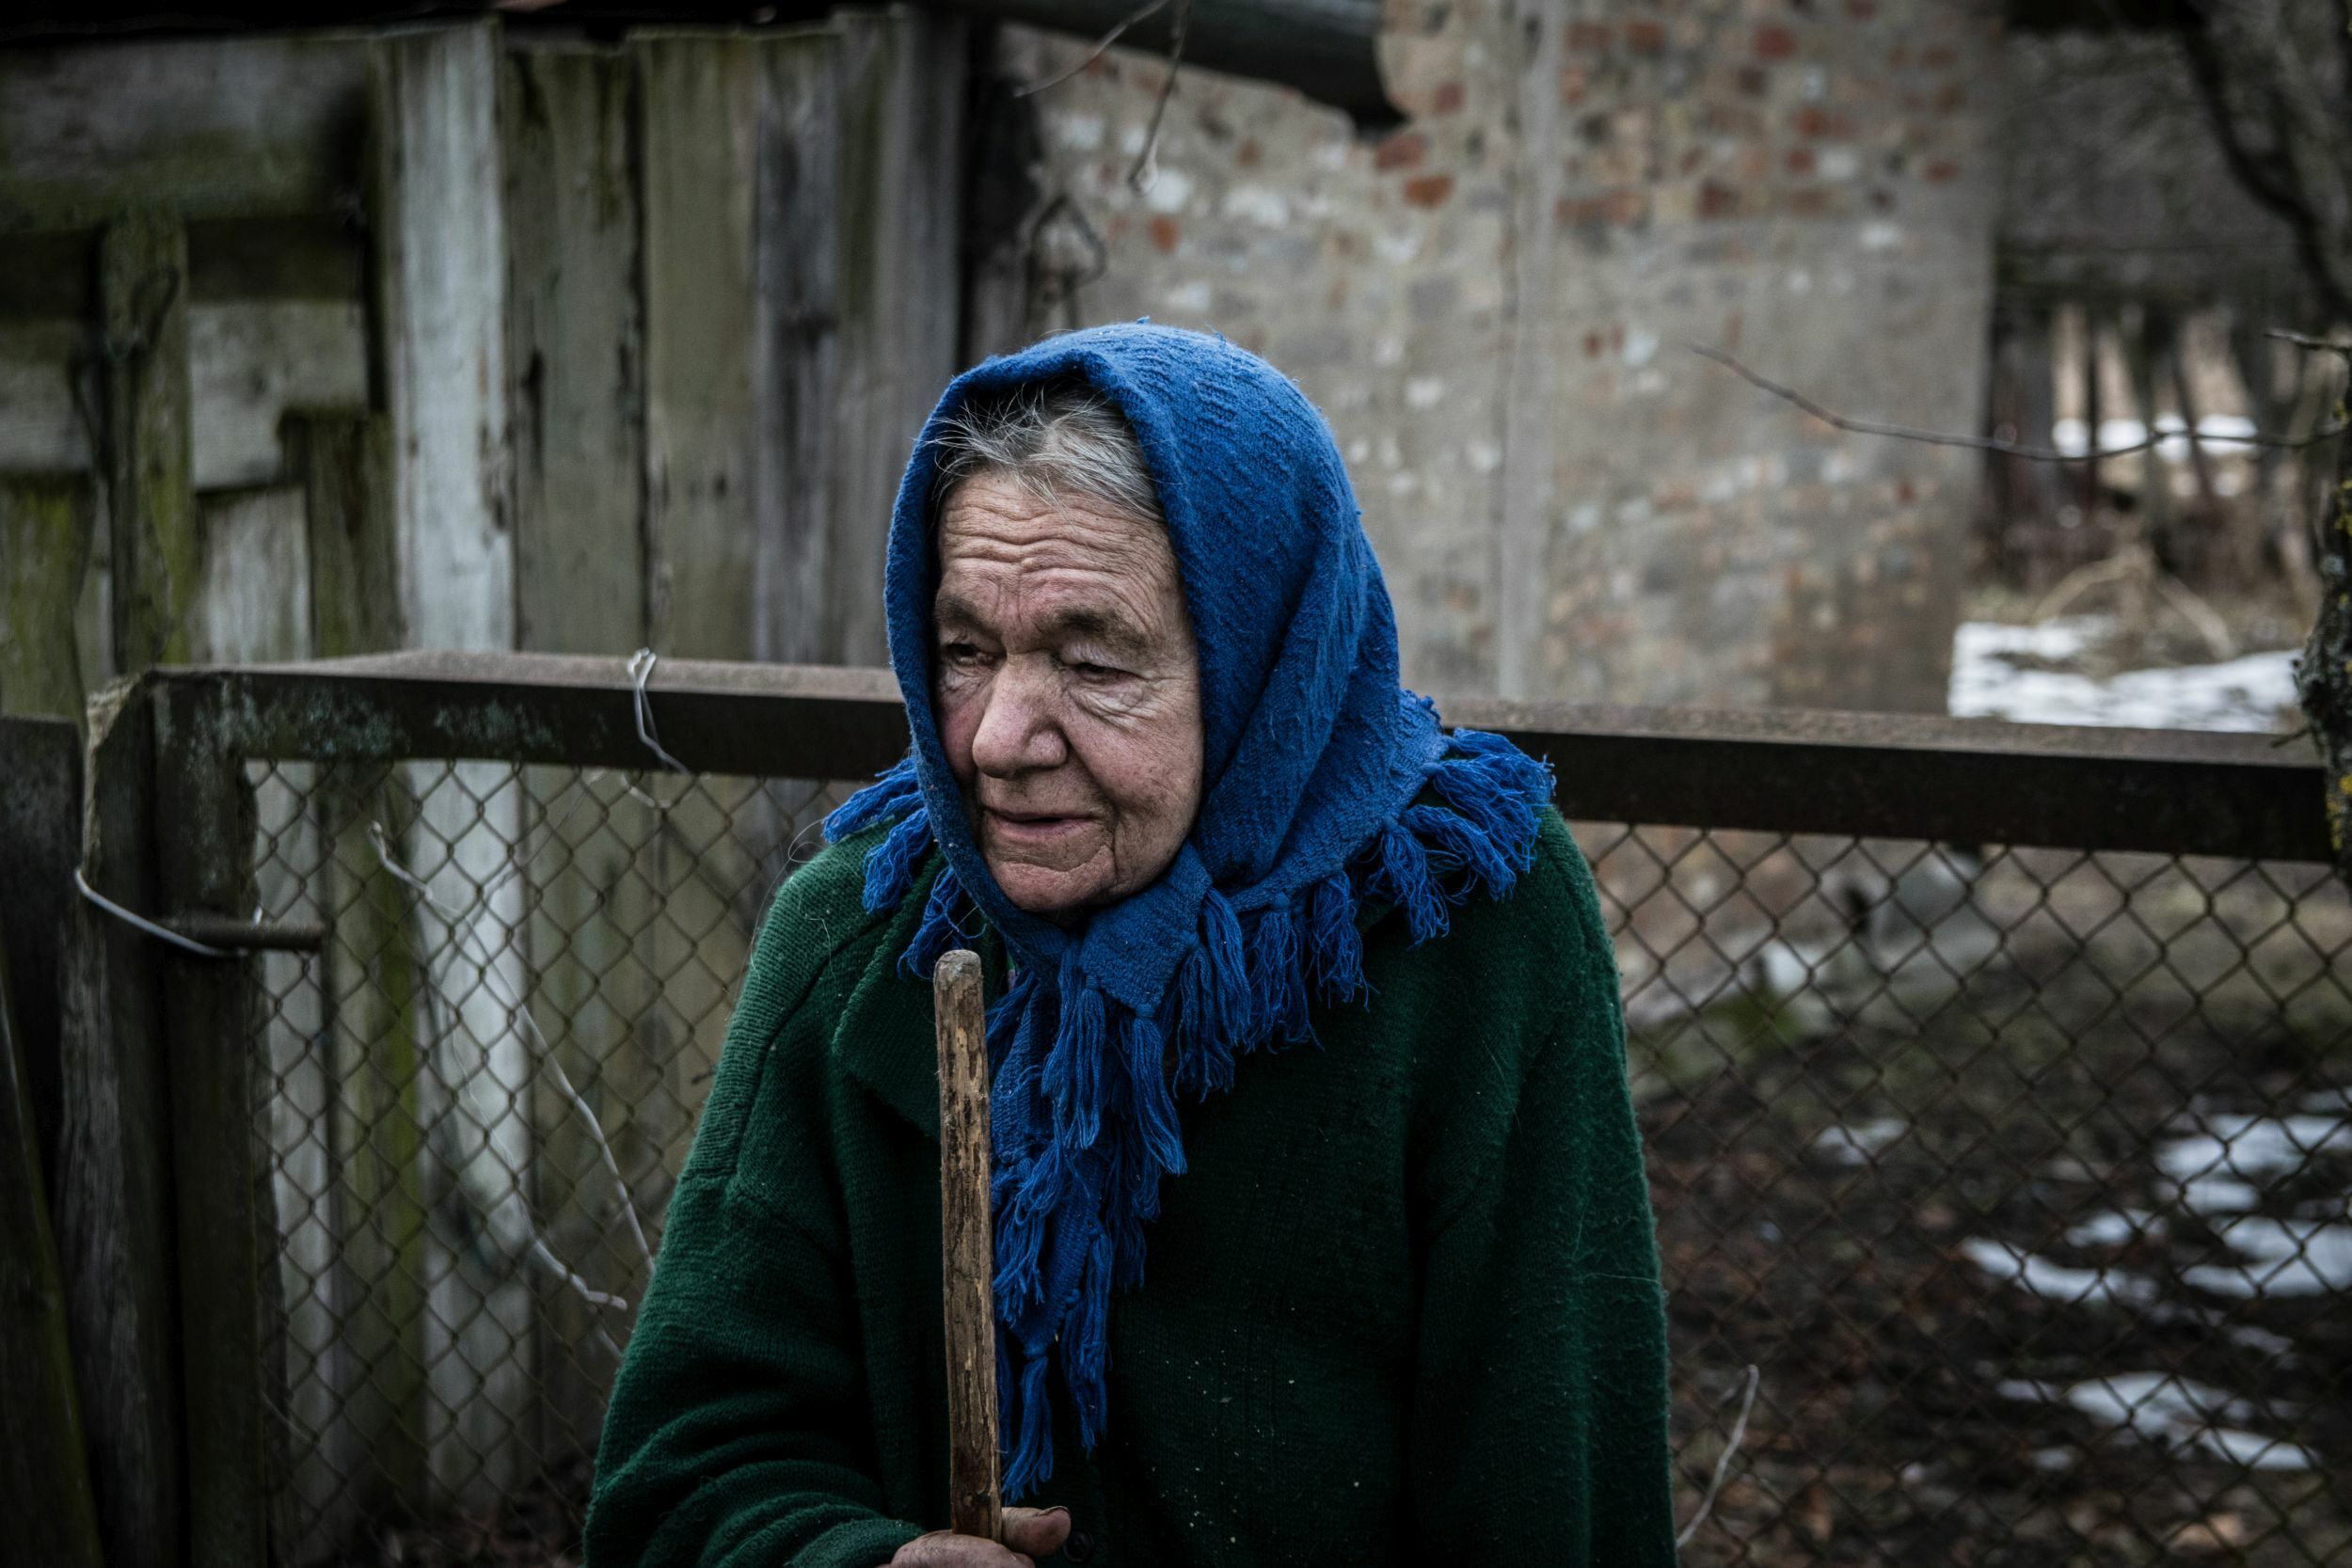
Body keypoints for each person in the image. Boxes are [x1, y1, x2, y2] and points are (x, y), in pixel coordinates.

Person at [584, 324, 1677, 1567]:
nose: (996, 738)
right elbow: (681, 1483)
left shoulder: (1464, 931)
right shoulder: (868, 938)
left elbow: (1557, 1499)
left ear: (1266, 665)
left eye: (1093, 661)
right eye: (965, 651)